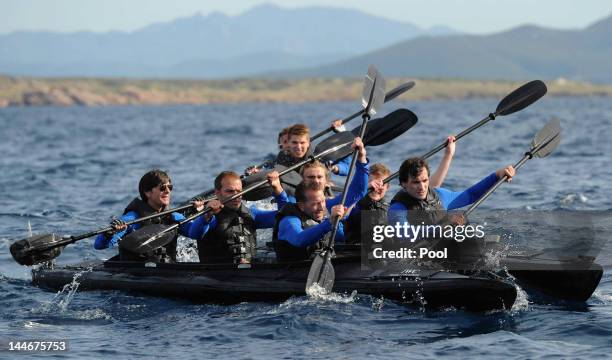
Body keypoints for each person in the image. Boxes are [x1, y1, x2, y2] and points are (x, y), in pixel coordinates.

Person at [343, 136, 457, 244]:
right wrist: (362, 186)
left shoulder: (393, 207)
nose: (377, 187)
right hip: (353, 253)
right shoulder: (354, 203)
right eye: (372, 182)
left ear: (388, 187)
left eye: (382, 183)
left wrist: (448, 155)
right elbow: (346, 206)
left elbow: (430, 185)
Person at [93, 169, 204, 263]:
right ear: (147, 192)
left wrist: (202, 216)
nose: (167, 191)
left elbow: (195, 233)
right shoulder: (132, 219)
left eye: (170, 187)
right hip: (136, 273)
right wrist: (109, 234)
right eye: (162, 188)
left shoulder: (174, 217)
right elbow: (99, 245)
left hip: (167, 268)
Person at [388, 157, 515, 237]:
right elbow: (405, 234)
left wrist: (497, 175)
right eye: (416, 182)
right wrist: (445, 225)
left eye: (425, 180)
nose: (422, 187)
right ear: (404, 184)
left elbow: (470, 195)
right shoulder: (398, 207)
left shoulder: (440, 195)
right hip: (414, 259)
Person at [189, 170, 286, 264]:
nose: (236, 196)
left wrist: (278, 189)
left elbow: (285, 216)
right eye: (230, 191)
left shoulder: (253, 214)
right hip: (217, 275)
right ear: (217, 193)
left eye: (239, 191)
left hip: (249, 273)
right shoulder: (210, 217)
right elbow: (194, 234)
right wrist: (207, 214)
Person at [272, 182, 348, 262]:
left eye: (323, 201)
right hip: (293, 270)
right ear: (301, 206)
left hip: (321, 265)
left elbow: (344, 236)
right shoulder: (288, 221)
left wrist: (339, 220)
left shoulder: (322, 217)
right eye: (315, 204)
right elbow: (300, 239)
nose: (321, 208)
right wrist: (329, 222)